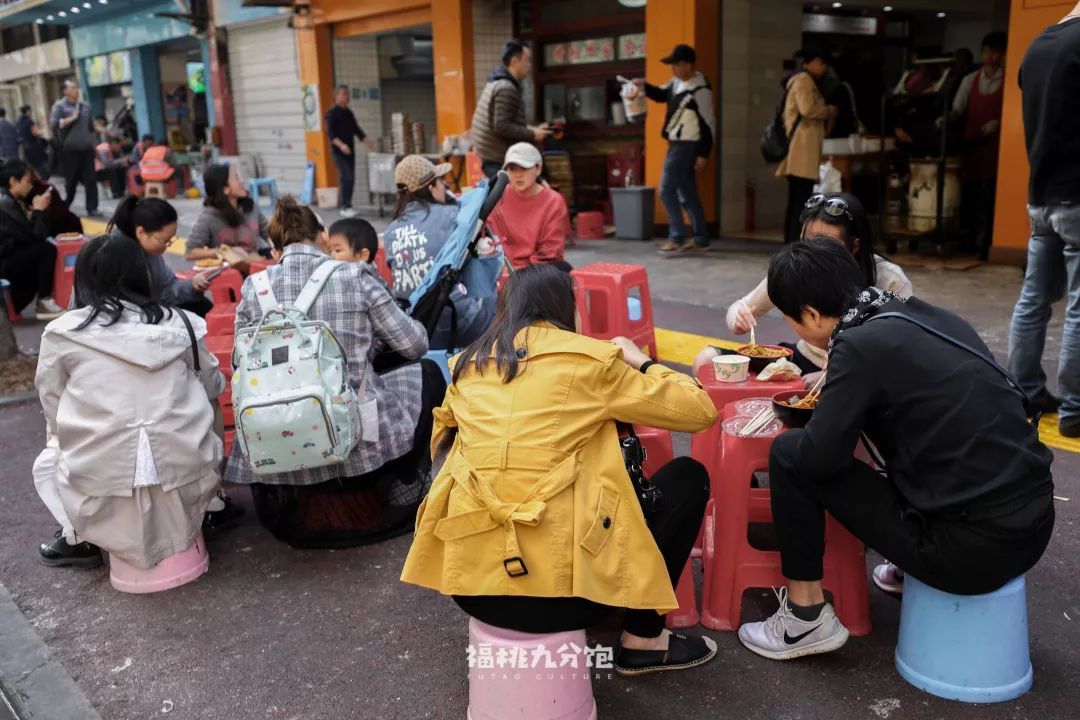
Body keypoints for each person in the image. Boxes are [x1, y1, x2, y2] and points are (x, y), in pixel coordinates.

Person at [736, 238, 1054, 661]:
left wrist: (837, 404)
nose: (794, 329)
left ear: (812, 314)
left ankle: (804, 615)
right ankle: (905, 568)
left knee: (791, 454)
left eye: (792, 320)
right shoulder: (918, 314)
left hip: (974, 552)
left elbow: (819, 460)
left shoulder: (857, 346)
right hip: (1035, 521)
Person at [401, 264, 720, 675]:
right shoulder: (592, 364)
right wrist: (640, 361)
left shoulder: (466, 367)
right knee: (687, 478)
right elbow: (700, 410)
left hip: (469, 586)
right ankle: (644, 639)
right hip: (569, 601)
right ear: (567, 309)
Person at [224, 197, 445, 548]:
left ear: (275, 246)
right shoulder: (355, 275)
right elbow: (414, 345)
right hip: (357, 445)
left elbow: (240, 362)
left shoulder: (255, 288)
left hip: (281, 443)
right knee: (427, 372)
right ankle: (404, 491)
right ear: (324, 235)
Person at [34, 234, 227, 570]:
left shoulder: (62, 333)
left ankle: (78, 538)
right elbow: (213, 384)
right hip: (188, 468)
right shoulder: (181, 324)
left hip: (99, 478)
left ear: (83, 279)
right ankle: (214, 506)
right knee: (208, 407)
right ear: (144, 274)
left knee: (48, 459)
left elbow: (51, 400)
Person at [694, 193, 912, 381]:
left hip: (857, 373)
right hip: (800, 361)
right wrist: (739, 318)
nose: (813, 253)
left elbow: (900, 349)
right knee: (707, 360)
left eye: (825, 243)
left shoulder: (889, 278)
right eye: (808, 242)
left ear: (854, 246)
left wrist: (834, 375)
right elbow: (742, 308)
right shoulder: (797, 269)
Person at [1008, 4, 1080, 439]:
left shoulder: (1038, 46)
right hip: (1078, 196)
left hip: (1040, 196)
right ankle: (1075, 408)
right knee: (1078, 307)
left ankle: (1024, 392)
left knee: (1033, 300)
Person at [383, 154, 502, 348]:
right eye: (442, 183)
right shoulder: (454, 215)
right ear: (431, 187)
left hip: (416, 326)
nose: (445, 188)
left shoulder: (390, 231)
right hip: (457, 321)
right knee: (491, 297)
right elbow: (489, 266)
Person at [623, 44, 715, 254]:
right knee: (687, 193)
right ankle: (701, 238)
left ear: (688, 65)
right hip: (677, 144)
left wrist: (703, 153)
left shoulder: (700, 90)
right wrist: (642, 85)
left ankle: (677, 236)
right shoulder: (676, 84)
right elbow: (660, 94)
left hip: (686, 145)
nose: (673, 69)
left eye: (676, 65)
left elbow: (709, 124)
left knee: (666, 189)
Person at [107, 196, 215, 316]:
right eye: (165, 241)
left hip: (152, 309)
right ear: (141, 233)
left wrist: (193, 286)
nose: (167, 246)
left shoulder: (149, 250)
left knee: (203, 306)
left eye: (171, 240)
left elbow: (167, 288)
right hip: (128, 318)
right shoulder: (116, 256)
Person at [952, 32, 1007, 260]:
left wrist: (999, 123)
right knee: (970, 197)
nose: (991, 56)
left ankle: (985, 245)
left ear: (1002, 54)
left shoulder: (1008, 79)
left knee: (989, 198)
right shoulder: (970, 80)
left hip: (996, 151)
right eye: (987, 51)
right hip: (972, 147)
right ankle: (967, 244)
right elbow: (958, 109)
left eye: (996, 52)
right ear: (982, 53)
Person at [778, 48, 838, 245]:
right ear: (813, 62)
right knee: (800, 197)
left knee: (799, 196)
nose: (823, 68)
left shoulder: (801, 79)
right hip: (801, 149)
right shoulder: (804, 80)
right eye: (822, 63)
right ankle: (794, 240)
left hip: (803, 149)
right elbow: (808, 109)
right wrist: (829, 110)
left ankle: (794, 239)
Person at [471, 39, 551, 180]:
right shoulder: (505, 88)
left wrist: (533, 129)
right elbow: (502, 126)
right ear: (514, 61)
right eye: (527, 61)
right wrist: (532, 134)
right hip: (497, 157)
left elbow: (505, 121)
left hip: (491, 153)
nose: (530, 65)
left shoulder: (498, 82)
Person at [485, 143, 569, 271]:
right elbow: (487, 237)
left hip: (537, 272)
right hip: (500, 269)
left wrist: (522, 273)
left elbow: (551, 250)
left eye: (524, 168)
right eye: (512, 169)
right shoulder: (498, 196)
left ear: (538, 169)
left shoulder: (553, 201)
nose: (518, 174)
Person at [0, 159, 65, 319]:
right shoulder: (5, 205)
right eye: (27, 181)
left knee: (46, 247)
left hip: (8, 259)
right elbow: (35, 237)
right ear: (13, 181)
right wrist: (38, 211)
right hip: (4, 264)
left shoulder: (12, 201)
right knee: (46, 249)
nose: (30, 186)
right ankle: (44, 301)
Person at [185, 163, 269, 272]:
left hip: (257, 266)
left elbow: (268, 232)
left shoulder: (251, 207)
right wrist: (226, 251)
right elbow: (190, 253)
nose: (242, 182)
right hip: (231, 273)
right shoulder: (208, 217)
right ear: (226, 189)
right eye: (236, 178)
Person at [49, 80, 98, 217]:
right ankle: (66, 205)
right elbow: (54, 124)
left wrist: (94, 147)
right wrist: (72, 118)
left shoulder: (85, 106)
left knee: (91, 179)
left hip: (86, 149)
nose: (76, 90)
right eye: (73, 88)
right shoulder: (59, 106)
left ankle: (92, 208)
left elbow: (91, 129)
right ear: (65, 91)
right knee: (71, 181)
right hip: (69, 150)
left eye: (76, 87)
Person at [325, 85, 376, 219]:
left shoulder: (348, 112)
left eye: (347, 94)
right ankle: (344, 206)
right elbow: (330, 134)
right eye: (344, 94)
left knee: (351, 177)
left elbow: (356, 130)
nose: (347, 97)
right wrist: (341, 146)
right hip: (338, 151)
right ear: (336, 96)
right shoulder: (332, 113)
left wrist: (367, 141)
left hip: (350, 151)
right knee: (346, 176)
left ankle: (348, 204)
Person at [16, 106, 48, 178]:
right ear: (28, 111)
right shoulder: (29, 121)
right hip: (33, 146)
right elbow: (34, 132)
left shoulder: (18, 122)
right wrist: (41, 132)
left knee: (31, 166)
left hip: (25, 147)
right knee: (39, 165)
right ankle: (43, 180)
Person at [95, 133, 129, 200]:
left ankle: (121, 191)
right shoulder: (103, 149)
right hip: (97, 171)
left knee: (121, 168)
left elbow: (120, 161)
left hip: (105, 169)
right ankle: (116, 193)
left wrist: (124, 163)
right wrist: (122, 160)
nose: (119, 148)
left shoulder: (117, 150)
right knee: (112, 171)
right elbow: (107, 163)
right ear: (113, 144)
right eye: (118, 146)